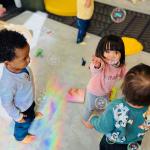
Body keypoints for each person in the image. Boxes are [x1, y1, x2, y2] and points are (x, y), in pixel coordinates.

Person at [89, 64, 150, 150]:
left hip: (114, 144)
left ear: (124, 87)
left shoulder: (115, 107)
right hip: (135, 141)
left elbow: (104, 127)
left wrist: (93, 120)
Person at [0, 29, 42, 144]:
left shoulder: (21, 67)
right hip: (21, 109)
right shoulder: (8, 83)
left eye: (28, 55)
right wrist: (17, 116)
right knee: (23, 124)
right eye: (24, 58)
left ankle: (32, 115)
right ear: (7, 62)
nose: (29, 59)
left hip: (28, 101)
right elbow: (6, 103)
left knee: (31, 110)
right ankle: (20, 137)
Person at [82, 35, 126, 128]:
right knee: (90, 107)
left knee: (105, 106)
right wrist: (96, 65)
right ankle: (85, 119)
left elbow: (124, 75)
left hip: (106, 91)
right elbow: (94, 70)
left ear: (121, 53)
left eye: (116, 52)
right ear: (101, 51)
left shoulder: (121, 65)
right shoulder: (100, 63)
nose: (112, 55)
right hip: (93, 91)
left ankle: (101, 115)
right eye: (107, 51)